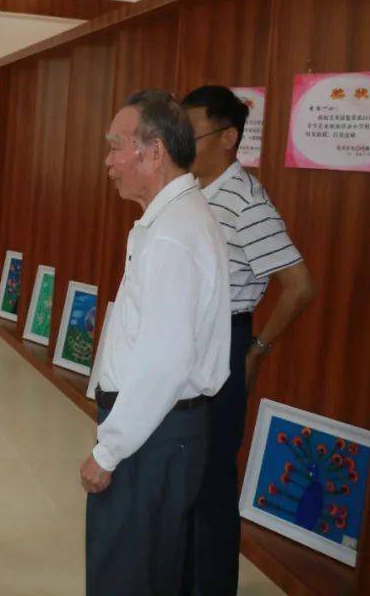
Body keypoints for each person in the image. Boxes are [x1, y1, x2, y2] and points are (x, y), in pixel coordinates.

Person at [81, 90, 231, 595]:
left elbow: (164, 362)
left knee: (127, 574)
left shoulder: (174, 234)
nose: (108, 160)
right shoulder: (172, 219)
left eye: (115, 145)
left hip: (154, 432)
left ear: (154, 152)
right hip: (160, 427)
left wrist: (109, 451)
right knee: (150, 568)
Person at [181, 86, 316, 596]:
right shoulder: (191, 190)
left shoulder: (244, 200)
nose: (179, 143)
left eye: (189, 134)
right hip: (189, 342)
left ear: (228, 137)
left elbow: (300, 286)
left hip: (225, 339)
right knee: (185, 473)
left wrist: (258, 349)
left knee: (212, 482)